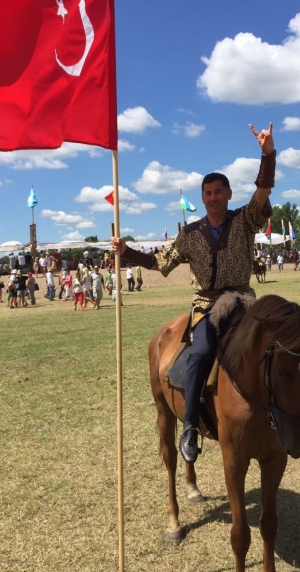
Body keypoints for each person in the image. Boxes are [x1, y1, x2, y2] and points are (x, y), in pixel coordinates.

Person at [111, 122, 275, 463]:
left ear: (228, 194)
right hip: (208, 307)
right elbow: (158, 263)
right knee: (200, 352)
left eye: (218, 192)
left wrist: (268, 155)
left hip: (244, 303)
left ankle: (280, 416)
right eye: (208, 193)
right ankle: (189, 427)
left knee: (274, 346)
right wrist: (126, 251)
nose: (213, 197)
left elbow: (262, 190)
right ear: (202, 198)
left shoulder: (245, 220)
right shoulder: (189, 234)